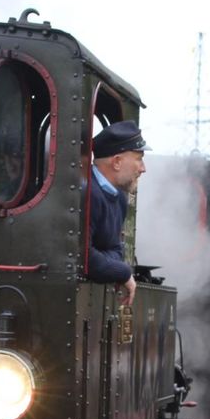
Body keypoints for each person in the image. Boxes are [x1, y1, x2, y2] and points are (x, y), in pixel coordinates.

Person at [88, 120, 147, 306]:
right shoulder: (88, 194)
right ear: (117, 162)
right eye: (138, 158)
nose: (143, 168)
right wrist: (123, 272)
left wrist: (106, 262)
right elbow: (84, 257)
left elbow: (116, 251)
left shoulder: (119, 198)